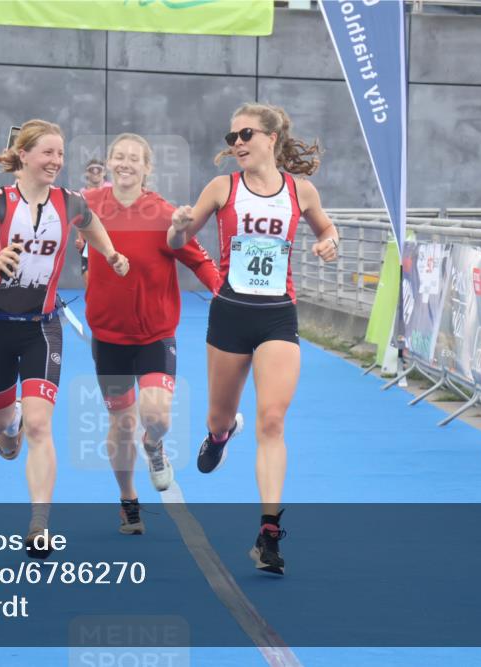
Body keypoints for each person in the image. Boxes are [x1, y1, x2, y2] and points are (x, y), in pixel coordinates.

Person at [0, 119, 129, 557]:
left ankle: (39, 524)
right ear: (23, 155)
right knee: (3, 429)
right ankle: (11, 428)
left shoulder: (71, 202)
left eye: (61, 154)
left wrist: (112, 253)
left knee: (42, 425)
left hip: (43, 328)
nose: (56, 162)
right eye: (47, 153)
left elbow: (91, 223)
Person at [167, 103, 339, 575]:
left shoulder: (300, 191)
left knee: (273, 420)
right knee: (219, 415)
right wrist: (179, 224)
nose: (236, 143)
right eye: (230, 138)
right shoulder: (222, 188)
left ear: (271, 138)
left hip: (277, 317)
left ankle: (268, 532)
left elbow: (327, 229)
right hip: (230, 314)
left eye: (244, 134)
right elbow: (178, 242)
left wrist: (329, 243)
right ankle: (220, 435)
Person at [85, 133, 221, 534]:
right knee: (121, 424)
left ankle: (155, 444)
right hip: (108, 337)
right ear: (109, 163)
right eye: (119, 157)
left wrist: (223, 294)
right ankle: (128, 500)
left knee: (156, 417)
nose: (126, 163)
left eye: (134, 159)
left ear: (148, 168)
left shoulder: (163, 214)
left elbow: (201, 262)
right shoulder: (88, 206)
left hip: (155, 336)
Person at [73, 159, 109, 288]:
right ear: (87, 173)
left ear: (104, 172)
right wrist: (79, 238)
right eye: (92, 170)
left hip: (110, 240)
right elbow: (80, 218)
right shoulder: (82, 193)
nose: (95, 173)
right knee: (89, 283)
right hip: (89, 241)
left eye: (98, 169)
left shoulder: (112, 189)